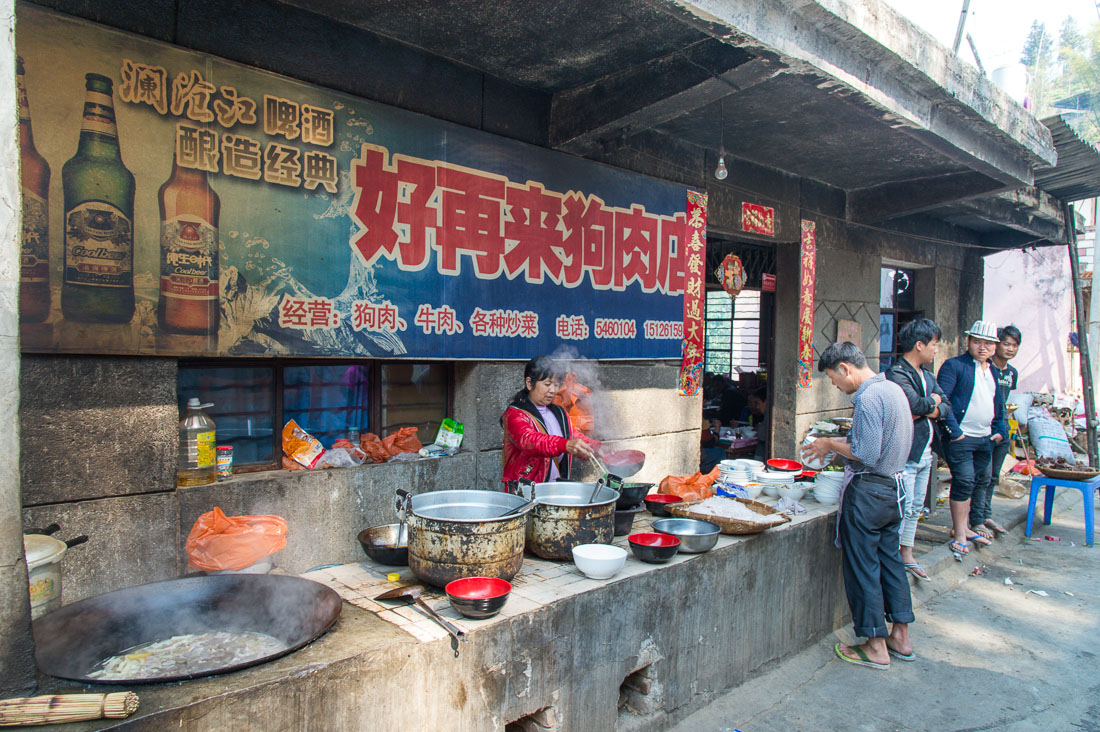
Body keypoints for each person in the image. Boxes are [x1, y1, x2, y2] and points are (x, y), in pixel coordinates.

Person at [802, 342, 915, 669]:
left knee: (863, 567)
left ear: (845, 368)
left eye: (833, 378)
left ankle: (875, 645)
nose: (835, 385)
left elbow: (866, 453)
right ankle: (900, 637)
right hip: (895, 490)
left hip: (868, 494)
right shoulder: (893, 389)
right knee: (891, 562)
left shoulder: (867, 397)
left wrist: (827, 443)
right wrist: (841, 447)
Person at [885, 319, 952, 582]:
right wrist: (929, 406)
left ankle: (907, 552)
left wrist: (931, 406)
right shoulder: (898, 373)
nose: (936, 350)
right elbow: (914, 405)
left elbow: (945, 404)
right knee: (902, 507)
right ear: (920, 344)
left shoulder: (928, 376)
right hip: (908, 453)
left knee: (915, 507)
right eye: (934, 344)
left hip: (926, 452)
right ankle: (894, 555)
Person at [936, 320, 1008, 556]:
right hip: (961, 438)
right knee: (964, 480)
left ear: (994, 347)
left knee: (978, 481)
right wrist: (955, 433)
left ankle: (964, 527)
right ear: (968, 342)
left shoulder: (993, 372)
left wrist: (998, 432)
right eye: (977, 342)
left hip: (985, 438)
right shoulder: (955, 366)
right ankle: (959, 533)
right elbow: (942, 399)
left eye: (988, 343)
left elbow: (998, 405)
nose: (982, 347)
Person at [501, 356, 599, 492]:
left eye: (556, 384)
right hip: (525, 492)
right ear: (529, 383)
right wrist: (565, 445)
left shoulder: (559, 412)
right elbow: (530, 441)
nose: (553, 390)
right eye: (547, 384)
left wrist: (598, 449)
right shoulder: (515, 414)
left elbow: (572, 436)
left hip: (555, 491)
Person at [983, 325, 1021, 536]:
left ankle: (986, 513)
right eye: (1006, 344)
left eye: (1014, 346)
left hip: (1003, 427)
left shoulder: (1012, 373)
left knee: (994, 476)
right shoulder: (986, 368)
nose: (1010, 349)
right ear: (997, 344)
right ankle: (976, 515)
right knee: (982, 474)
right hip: (985, 427)